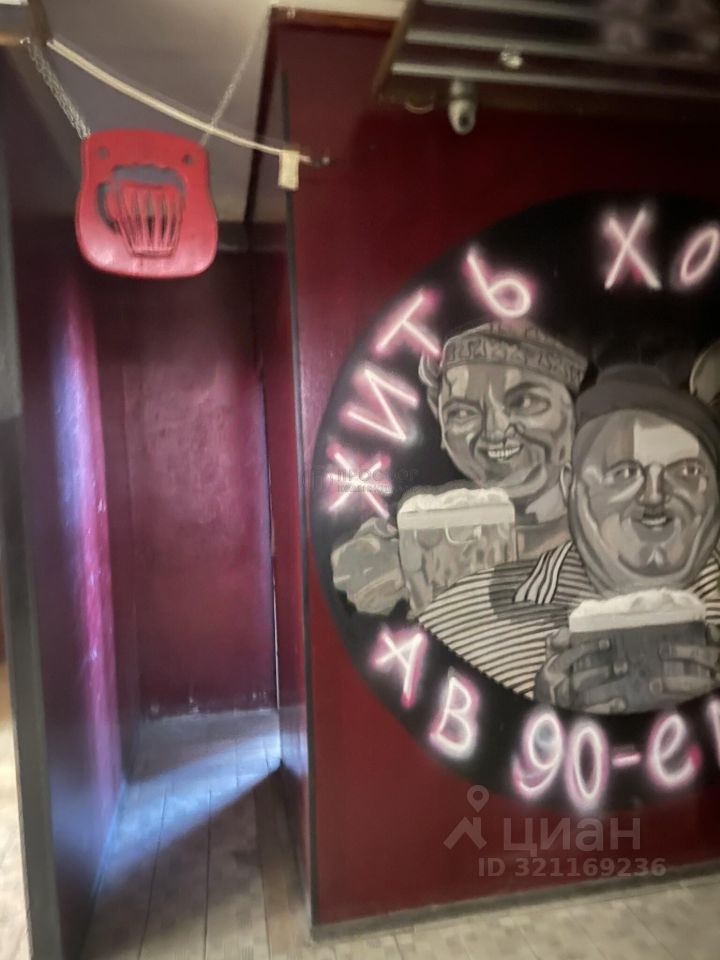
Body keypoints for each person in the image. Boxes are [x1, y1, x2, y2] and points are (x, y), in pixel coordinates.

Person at [419, 366, 720, 713]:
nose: (654, 495)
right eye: (623, 473)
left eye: (687, 472)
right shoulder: (462, 617)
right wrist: (535, 712)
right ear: (568, 486)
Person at [331, 321, 587, 616]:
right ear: (440, 420)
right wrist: (373, 568)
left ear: (576, 410)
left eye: (526, 402)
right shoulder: (426, 539)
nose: (496, 431)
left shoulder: (613, 532)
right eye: (463, 412)